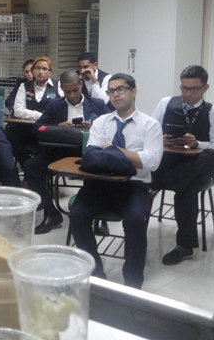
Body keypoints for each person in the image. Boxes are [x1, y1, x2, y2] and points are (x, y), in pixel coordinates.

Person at [69, 73, 163, 289]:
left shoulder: (150, 125)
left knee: (135, 219)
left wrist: (114, 150)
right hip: (100, 183)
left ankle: (132, 282)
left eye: (121, 89)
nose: (115, 95)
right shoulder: (101, 122)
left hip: (134, 185)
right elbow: (92, 155)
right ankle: (96, 275)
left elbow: (152, 162)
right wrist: (133, 157)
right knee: (77, 214)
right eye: (111, 91)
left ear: (134, 92)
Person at [151, 65, 214, 265]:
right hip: (171, 160)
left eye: (194, 89)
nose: (188, 94)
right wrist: (160, 140)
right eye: (184, 88)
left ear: (205, 88)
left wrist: (197, 144)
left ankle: (156, 185)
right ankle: (185, 247)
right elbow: (149, 132)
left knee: (210, 157)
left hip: (198, 164)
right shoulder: (166, 103)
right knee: (187, 187)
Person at [24, 70, 110, 234]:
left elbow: (112, 128)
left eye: (75, 90)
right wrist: (57, 127)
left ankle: (100, 216)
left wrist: (94, 127)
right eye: (67, 91)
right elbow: (37, 128)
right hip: (60, 150)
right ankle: (51, 213)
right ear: (62, 89)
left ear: (81, 85)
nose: (72, 95)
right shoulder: (55, 105)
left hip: (89, 151)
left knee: (103, 169)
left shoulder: (97, 104)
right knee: (31, 166)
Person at [5, 56, 61, 168]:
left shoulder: (58, 85)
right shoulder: (24, 86)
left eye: (44, 69)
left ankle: (39, 168)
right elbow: (18, 110)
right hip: (28, 129)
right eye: (37, 68)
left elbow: (61, 108)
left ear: (50, 72)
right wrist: (42, 115)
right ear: (33, 70)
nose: (40, 72)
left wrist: (35, 115)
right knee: (8, 133)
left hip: (48, 130)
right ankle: (26, 164)